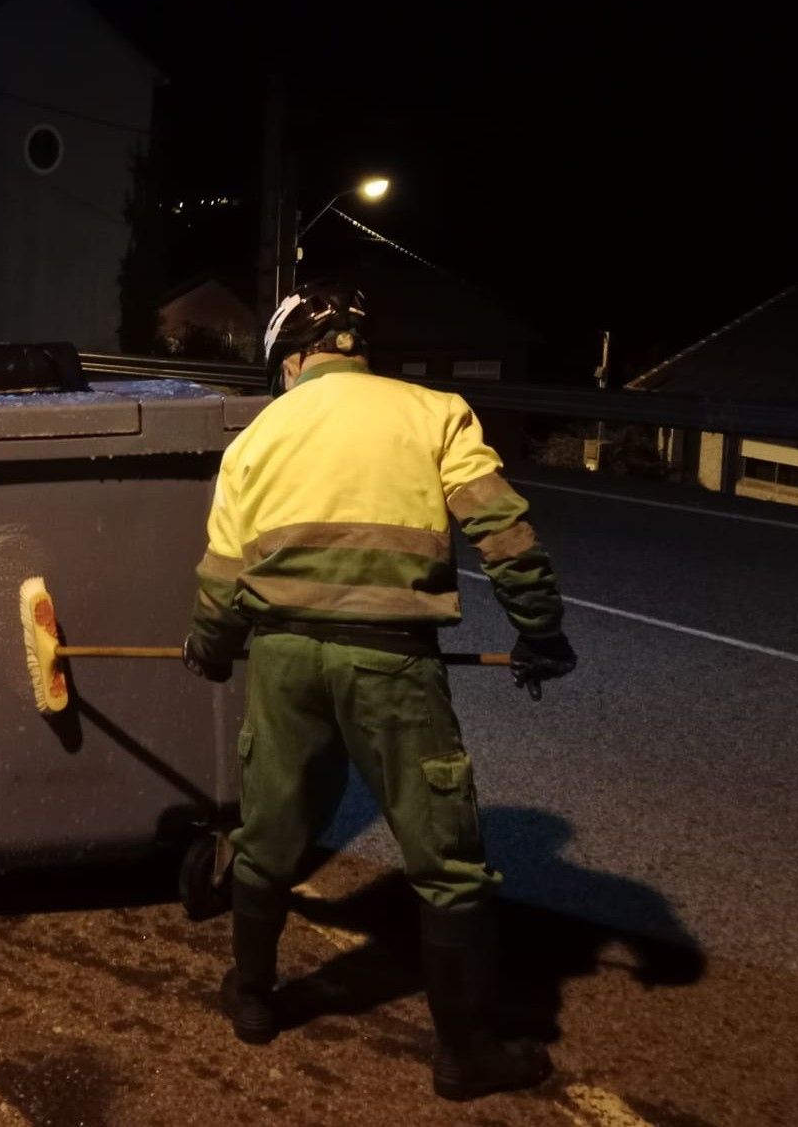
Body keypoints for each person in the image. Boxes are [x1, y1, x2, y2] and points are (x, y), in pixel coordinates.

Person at [181, 282, 578, 1101]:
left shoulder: (257, 438)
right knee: (447, 865)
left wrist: (211, 652)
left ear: (291, 361)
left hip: (285, 660)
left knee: (268, 837)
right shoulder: (435, 412)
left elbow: (223, 576)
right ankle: (465, 1053)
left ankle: (254, 998)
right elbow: (501, 530)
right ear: (355, 347)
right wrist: (540, 631)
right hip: (394, 662)